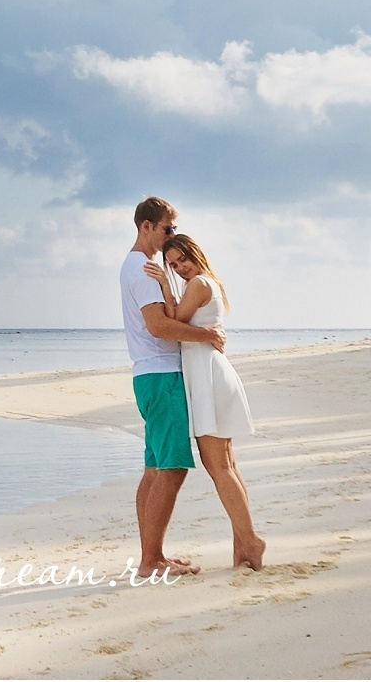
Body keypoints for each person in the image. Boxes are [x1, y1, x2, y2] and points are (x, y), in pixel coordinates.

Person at [119, 197, 227, 577]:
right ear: (147, 226)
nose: (171, 236)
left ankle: (153, 554)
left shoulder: (137, 267)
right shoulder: (143, 268)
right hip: (162, 375)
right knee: (173, 467)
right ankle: (151, 560)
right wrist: (205, 334)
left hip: (149, 375)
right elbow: (159, 326)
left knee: (154, 468)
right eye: (168, 229)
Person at [148, 233, 267, 569]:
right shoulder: (206, 283)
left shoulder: (199, 284)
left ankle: (252, 542)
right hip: (209, 375)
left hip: (208, 378)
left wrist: (165, 288)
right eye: (172, 265)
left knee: (218, 467)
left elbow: (173, 322)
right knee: (226, 466)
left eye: (182, 259)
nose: (179, 267)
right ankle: (244, 546)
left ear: (195, 253)